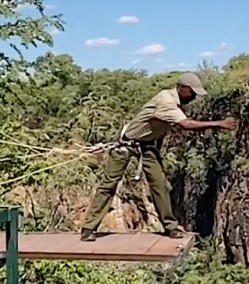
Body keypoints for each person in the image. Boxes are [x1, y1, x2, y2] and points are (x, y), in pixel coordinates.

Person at [80, 72, 235, 242]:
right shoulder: (166, 101)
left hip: (147, 146)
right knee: (109, 185)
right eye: (192, 93)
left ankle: (170, 227)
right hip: (128, 144)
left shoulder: (174, 103)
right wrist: (219, 124)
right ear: (181, 88)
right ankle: (88, 228)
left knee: (160, 185)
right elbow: (186, 124)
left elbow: (158, 130)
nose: (193, 97)